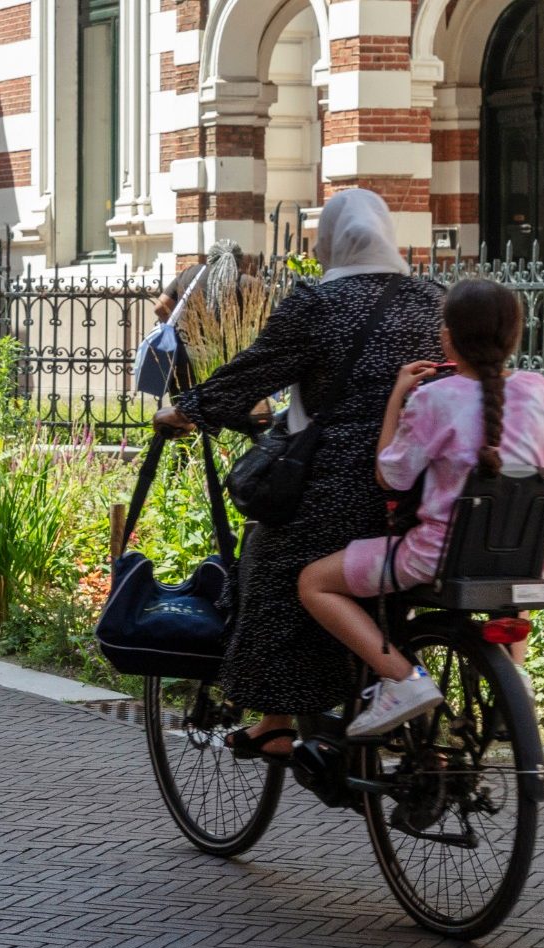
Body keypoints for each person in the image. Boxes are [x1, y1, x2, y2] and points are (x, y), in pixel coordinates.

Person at [154, 189, 442, 762]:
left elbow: (257, 367)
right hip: (419, 486)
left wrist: (188, 409)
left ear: (330, 241)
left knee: (269, 560)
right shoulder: (432, 300)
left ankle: (277, 721)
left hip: (335, 481)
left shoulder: (318, 302)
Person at [297, 278, 544, 737]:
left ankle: (404, 680)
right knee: (504, 568)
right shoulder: (539, 391)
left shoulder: (432, 398)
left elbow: (392, 475)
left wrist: (396, 399)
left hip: (436, 556)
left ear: (447, 337)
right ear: (515, 336)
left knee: (313, 583)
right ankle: (514, 681)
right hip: (527, 555)